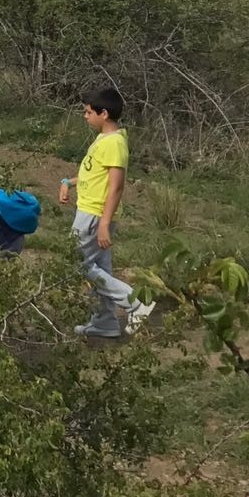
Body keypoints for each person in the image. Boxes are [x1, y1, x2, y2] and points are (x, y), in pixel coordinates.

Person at [59, 86, 155, 338]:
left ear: (104, 114)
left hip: (94, 214)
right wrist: (68, 182)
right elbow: (94, 174)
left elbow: (116, 186)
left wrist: (104, 223)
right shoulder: (104, 139)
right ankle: (105, 321)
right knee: (100, 267)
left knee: (79, 265)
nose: (85, 116)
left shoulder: (114, 144)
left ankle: (135, 303)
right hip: (90, 210)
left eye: (88, 112)